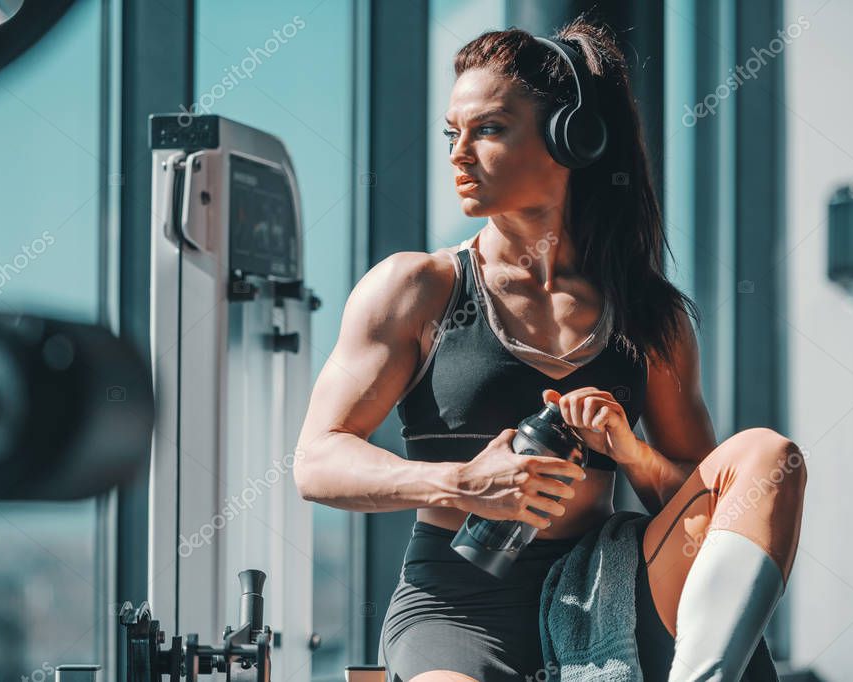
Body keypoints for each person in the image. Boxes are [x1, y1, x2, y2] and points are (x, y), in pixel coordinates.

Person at [295, 13, 806, 682]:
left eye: (488, 130)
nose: (457, 153)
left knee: (768, 457)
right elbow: (315, 461)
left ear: (570, 138)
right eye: (453, 132)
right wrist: (460, 483)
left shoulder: (649, 315)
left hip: (605, 583)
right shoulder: (416, 287)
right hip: (459, 604)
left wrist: (632, 453)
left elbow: (699, 504)